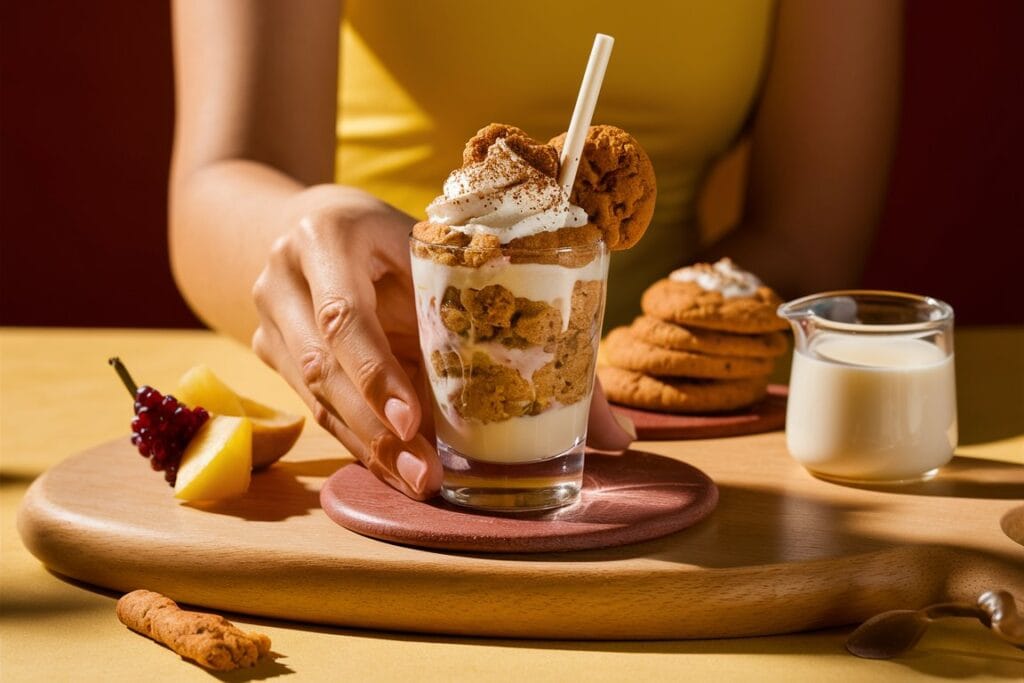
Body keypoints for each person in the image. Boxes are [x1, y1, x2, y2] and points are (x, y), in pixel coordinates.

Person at [169, 0, 902, 501]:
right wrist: (305, 229)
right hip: (350, 387)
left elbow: (806, 241)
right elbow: (216, 183)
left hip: (678, 445)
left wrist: (626, 361)